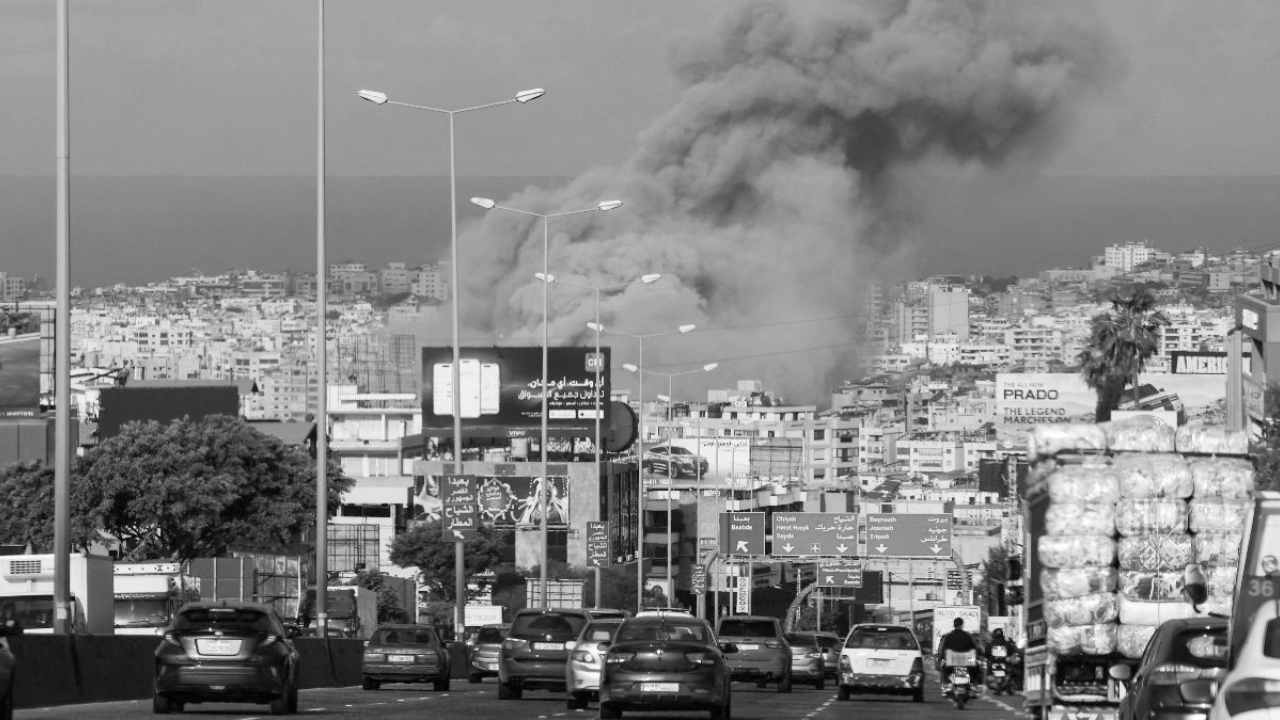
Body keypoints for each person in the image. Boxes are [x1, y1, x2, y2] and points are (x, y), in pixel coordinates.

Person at [936, 617, 982, 694]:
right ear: (962, 625)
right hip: (967, 661)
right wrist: (977, 657)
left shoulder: (949, 636)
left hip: (952, 661)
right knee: (976, 669)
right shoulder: (968, 636)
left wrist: (941, 658)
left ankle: (947, 685)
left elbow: (944, 649)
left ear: (954, 625)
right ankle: (973, 684)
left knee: (944, 669)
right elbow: (974, 648)